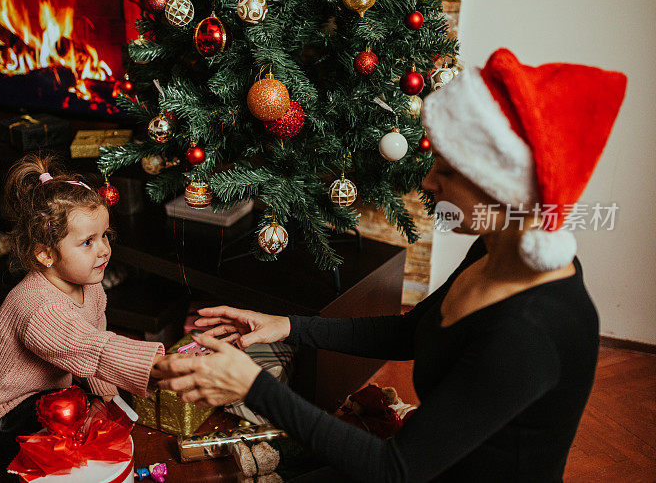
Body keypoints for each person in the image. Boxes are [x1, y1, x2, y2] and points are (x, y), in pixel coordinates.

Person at [155, 48, 627, 481]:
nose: (428, 180)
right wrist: (287, 326)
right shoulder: (496, 248)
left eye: (446, 169)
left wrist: (255, 386)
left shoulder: (530, 332)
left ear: (502, 189)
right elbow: (409, 334)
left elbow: (395, 470)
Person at [0, 154, 165, 468]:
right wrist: (158, 365)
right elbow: (94, 351)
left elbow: (95, 340)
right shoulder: (39, 308)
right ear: (45, 254)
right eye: (87, 242)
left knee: (89, 410)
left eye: (105, 236)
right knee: (70, 447)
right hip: (1, 410)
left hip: (46, 390)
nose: (104, 250)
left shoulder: (90, 285)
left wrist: (108, 397)